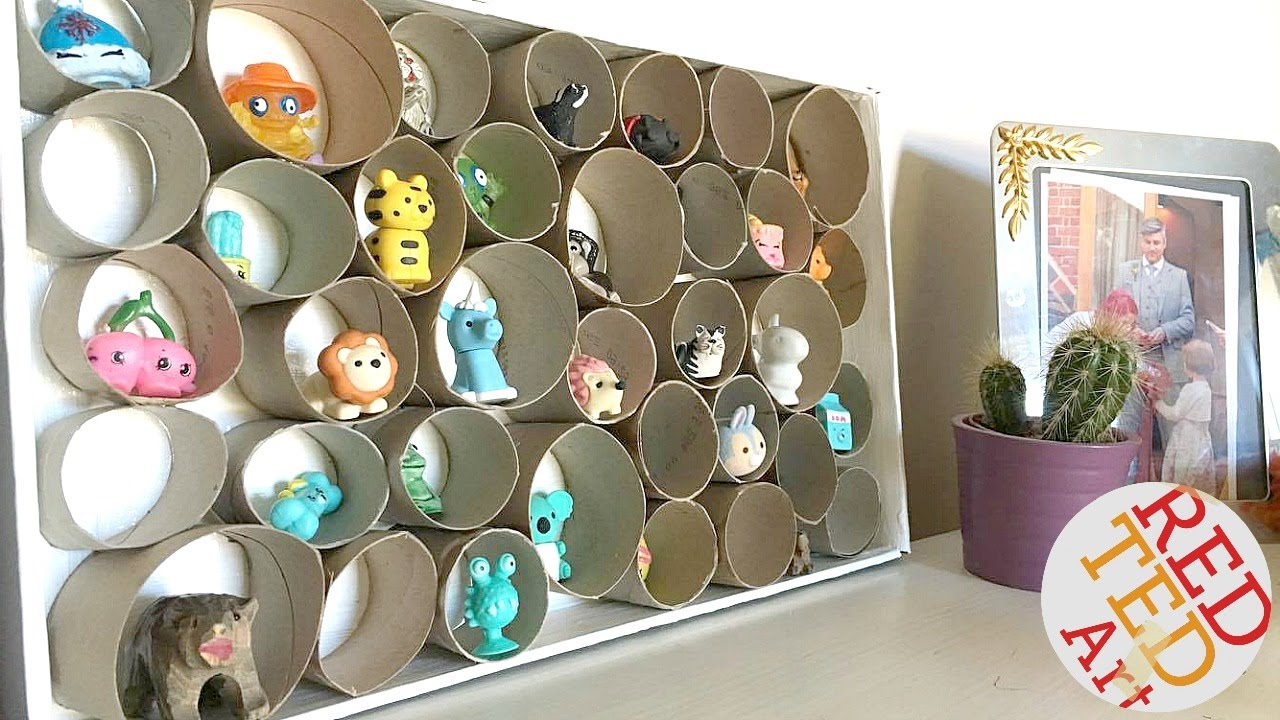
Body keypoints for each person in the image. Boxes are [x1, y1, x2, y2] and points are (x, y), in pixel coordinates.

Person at [1113, 218, 1195, 381]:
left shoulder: (1179, 276)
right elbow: (1112, 313)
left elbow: (1189, 321)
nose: (1151, 248)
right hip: (1130, 360)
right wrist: (1131, 331)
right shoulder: (1125, 271)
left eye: (1156, 243)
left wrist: (1165, 331)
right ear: (1141, 242)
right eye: (1147, 242)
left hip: (1168, 361)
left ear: (1164, 244)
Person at [1153, 340, 1216, 494]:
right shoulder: (1206, 388)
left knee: (1182, 471)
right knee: (1198, 472)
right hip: (1201, 437)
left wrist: (1158, 403)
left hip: (1186, 438)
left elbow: (1175, 414)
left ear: (1189, 365)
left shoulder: (1190, 389)